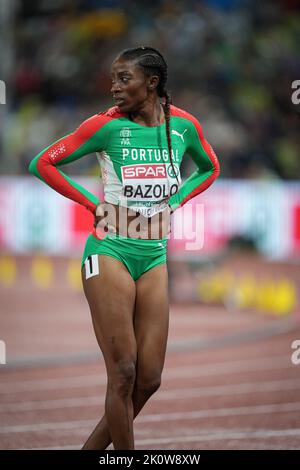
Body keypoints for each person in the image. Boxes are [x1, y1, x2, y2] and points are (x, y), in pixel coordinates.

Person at [28, 46, 220, 450]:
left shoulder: (183, 127)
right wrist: (90, 203)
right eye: (113, 79)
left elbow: (210, 167)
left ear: (152, 82)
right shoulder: (105, 127)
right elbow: (42, 163)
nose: (114, 87)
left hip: (154, 256)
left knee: (149, 379)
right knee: (123, 372)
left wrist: (179, 198)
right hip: (109, 250)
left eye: (123, 79)